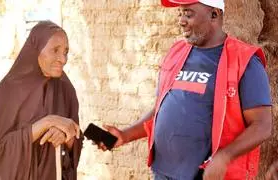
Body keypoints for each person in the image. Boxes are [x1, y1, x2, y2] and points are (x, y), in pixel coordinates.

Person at [96, 0, 273, 179]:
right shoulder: (177, 52)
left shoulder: (244, 61)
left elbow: (262, 125)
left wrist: (224, 157)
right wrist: (125, 135)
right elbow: (161, 109)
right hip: (163, 173)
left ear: (214, 14)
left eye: (188, 14)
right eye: (179, 14)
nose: (181, 20)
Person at [0, 21, 83, 180]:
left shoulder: (66, 89)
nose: (63, 59)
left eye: (66, 51)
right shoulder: (10, 89)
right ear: (36, 50)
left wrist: (68, 137)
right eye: (55, 50)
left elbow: (75, 144)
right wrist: (47, 122)